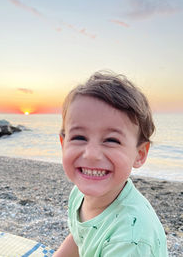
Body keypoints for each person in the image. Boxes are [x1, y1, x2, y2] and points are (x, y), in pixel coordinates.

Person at [54, 71, 168, 257]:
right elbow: (78, 237)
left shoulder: (130, 239)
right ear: (63, 144)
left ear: (139, 154)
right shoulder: (78, 194)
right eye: (79, 137)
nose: (91, 154)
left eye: (112, 140)